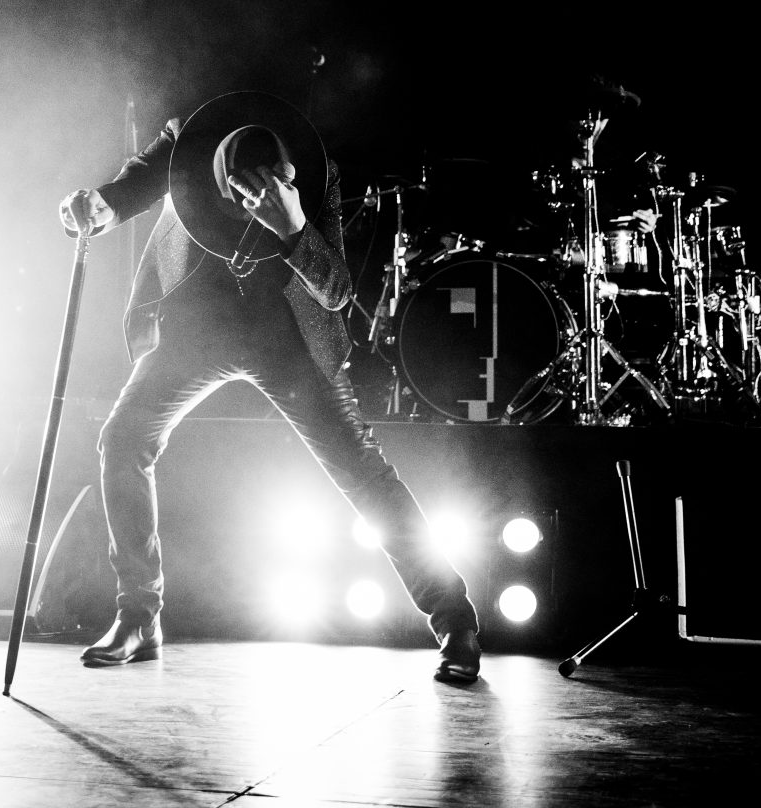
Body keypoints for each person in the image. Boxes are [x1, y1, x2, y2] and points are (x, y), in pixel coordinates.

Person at [58, 90, 481, 683]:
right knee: (123, 439)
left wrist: (295, 228)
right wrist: (101, 206)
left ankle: (455, 620)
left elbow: (336, 292)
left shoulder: (318, 171)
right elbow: (135, 183)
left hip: (287, 339)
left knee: (362, 471)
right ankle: (138, 615)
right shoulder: (190, 139)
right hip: (197, 328)